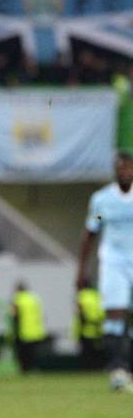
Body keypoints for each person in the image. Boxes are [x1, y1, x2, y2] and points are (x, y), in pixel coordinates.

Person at [77, 151, 133, 393]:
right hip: (114, 263)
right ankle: (118, 368)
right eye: (121, 168)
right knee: (115, 316)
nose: (125, 172)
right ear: (115, 171)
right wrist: (82, 269)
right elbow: (91, 231)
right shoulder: (101, 201)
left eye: (129, 168)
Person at [10, 282, 47, 373]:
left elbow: (14, 315)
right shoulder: (34, 298)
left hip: (22, 331)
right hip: (36, 331)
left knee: (23, 354)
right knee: (33, 353)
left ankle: (24, 370)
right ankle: (33, 370)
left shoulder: (18, 298)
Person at [74, 279, 105, 370]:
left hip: (85, 329)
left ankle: (88, 369)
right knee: (97, 352)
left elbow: (81, 313)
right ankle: (98, 369)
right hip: (98, 329)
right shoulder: (97, 296)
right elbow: (102, 312)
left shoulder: (81, 295)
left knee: (87, 354)